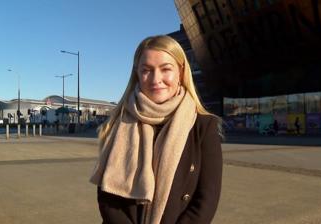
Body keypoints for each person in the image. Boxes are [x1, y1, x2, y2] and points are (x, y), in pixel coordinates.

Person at [90, 35, 223, 224]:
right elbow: (108, 196)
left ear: (181, 71)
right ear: (137, 74)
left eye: (165, 69)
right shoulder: (118, 123)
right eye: (146, 70)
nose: (155, 79)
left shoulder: (204, 126)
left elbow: (206, 201)